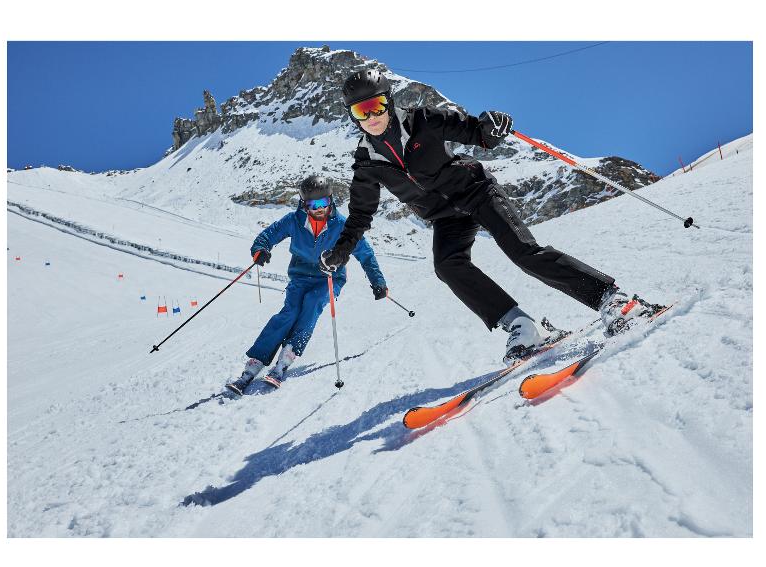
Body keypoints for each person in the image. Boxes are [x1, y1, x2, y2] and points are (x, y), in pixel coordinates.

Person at [319, 70, 663, 364]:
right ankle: (521, 326)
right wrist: (341, 251)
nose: (372, 116)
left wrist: (493, 125)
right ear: (353, 116)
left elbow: (477, 133)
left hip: (476, 192)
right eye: (361, 111)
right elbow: (360, 215)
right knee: (447, 266)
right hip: (445, 218)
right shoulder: (366, 163)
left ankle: (614, 300)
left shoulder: (424, 120)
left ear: (388, 101)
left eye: (376, 105)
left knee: (524, 253)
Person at [227, 175, 387, 393]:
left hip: (329, 277)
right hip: (300, 276)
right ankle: (254, 364)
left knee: (312, 305)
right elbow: (269, 234)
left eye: (323, 203)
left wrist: (377, 280)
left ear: (331, 200)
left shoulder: (342, 226)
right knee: (289, 312)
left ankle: (286, 358)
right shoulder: (294, 221)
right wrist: (260, 249)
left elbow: (365, 254)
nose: (319, 209)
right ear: (304, 204)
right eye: (313, 204)